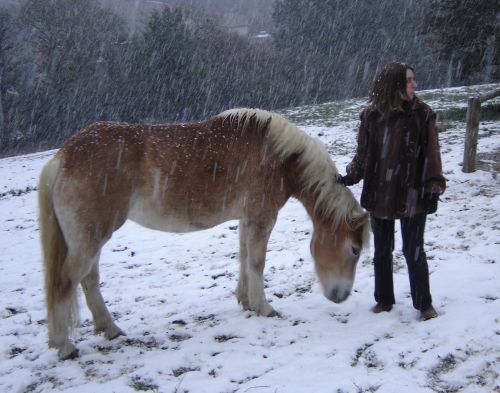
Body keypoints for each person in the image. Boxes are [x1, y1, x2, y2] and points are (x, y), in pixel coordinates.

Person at [339, 62, 446, 320]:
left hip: (413, 193)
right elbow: (362, 155)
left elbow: (432, 154)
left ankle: (424, 304)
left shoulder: (423, 114)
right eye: (409, 80)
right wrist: (350, 176)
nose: (414, 85)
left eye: (413, 79)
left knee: (414, 250)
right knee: (382, 251)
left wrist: (433, 186)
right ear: (395, 85)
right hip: (380, 192)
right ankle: (384, 300)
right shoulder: (371, 116)